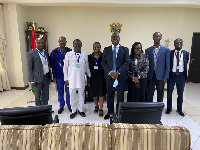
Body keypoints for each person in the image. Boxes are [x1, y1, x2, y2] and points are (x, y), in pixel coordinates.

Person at [101, 32, 130, 120]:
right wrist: (110, 72)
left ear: (119, 39)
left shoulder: (125, 49)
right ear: (111, 39)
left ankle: (119, 113)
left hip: (120, 77)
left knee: (120, 96)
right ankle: (110, 112)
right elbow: (103, 62)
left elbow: (127, 62)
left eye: (116, 38)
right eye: (113, 38)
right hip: (109, 77)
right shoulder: (106, 49)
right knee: (110, 96)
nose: (114, 39)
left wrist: (118, 72)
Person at [63, 39, 91, 119]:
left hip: (81, 79)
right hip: (71, 80)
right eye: (76, 44)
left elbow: (86, 67)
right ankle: (73, 111)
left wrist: (89, 76)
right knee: (72, 96)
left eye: (79, 45)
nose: (77, 46)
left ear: (81, 45)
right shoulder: (68, 54)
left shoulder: (85, 55)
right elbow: (65, 67)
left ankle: (81, 110)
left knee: (81, 96)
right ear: (73, 45)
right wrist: (66, 79)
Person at [166, 38, 189, 116]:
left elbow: (186, 64)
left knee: (180, 93)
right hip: (172, 75)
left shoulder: (186, 53)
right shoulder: (170, 53)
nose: (178, 44)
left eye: (180, 43)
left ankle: (179, 109)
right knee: (169, 92)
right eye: (177, 43)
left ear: (182, 44)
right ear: (174, 44)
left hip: (181, 75)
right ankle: (169, 108)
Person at [145, 32, 170, 102]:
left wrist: (166, 76)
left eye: (158, 36)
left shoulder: (166, 50)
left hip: (161, 75)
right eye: (155, 36)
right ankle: (149, 107)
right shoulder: (148, 50)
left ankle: (159, 107)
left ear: (161, 37)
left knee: (160, 92)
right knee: (149, 92)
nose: (157, 38)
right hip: (151, 75)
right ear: (153, 38)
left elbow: (168, 64)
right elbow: (146, 64)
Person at [50, 36, 72, 114]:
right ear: (58, 42)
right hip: (58, 76)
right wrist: (54, 76)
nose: (62, 42)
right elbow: (52, 65)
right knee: (60, 92)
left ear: (66, 42)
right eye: (60, 41)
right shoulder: (54, 52)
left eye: (63, 41)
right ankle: (61, 106)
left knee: (68, 91)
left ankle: (69, 106)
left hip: (68, 77)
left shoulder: (70, 51)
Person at [27, 38, 51, 106]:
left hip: (46, 77)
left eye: (42, 43)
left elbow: (47, 64)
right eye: (39, 43)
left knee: (46, 94)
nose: (41, 44)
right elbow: (29, 68)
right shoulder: (31, 53)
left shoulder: (46, 53)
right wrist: (32, 81)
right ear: (36, 43)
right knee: (37, 96)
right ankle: (39, 110)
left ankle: (45, 109)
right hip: (37, 79)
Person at [88, 42, 106, 117]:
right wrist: (88, 77)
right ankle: (96, 105)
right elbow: (87, 68)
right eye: (95, 47)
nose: (96, 48)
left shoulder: (103, 56)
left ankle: (101, 108)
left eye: (98, 47)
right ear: (93, 48)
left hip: (102, 77)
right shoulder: (89, 57)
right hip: (93, 77)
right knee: (94, 93)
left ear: (100, 48)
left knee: (101, 93)